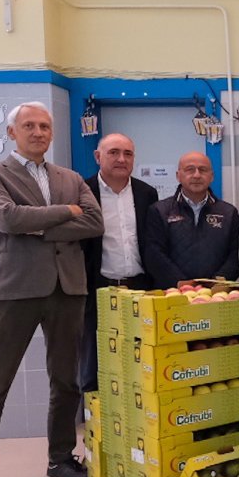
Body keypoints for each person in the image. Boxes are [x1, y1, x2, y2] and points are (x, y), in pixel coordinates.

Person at [0, 102, 104, 477]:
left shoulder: (70, 177)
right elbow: (6, 220)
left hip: (67, 289)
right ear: (12, 133)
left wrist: (37, 226)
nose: (38, 132)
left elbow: (93, 223)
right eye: (29, 126)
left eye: (44, 126)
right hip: (16, 291)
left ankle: (60, 459)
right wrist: (63, 213)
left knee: (66, 382)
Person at [79, 133, 159, 393]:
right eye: (113, 152)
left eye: (128, 154)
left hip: (140, 288)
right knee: (96, 360)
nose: (121, 159)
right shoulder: (81, 191)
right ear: (98, 156)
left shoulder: (147, 193)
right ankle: (98, 424)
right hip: (97, 289)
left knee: (140, 359)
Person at [145, 152, 239, 289]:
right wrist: (180, 282)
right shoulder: (159, 211)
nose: (196, 175)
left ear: (212, 176)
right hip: (172, 295)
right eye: (190, 169)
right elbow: (153, 253)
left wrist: (217, 284)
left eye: (203, 170)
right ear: (178, 175)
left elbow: (236, 254)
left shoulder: (229, 213)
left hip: (216, 295)